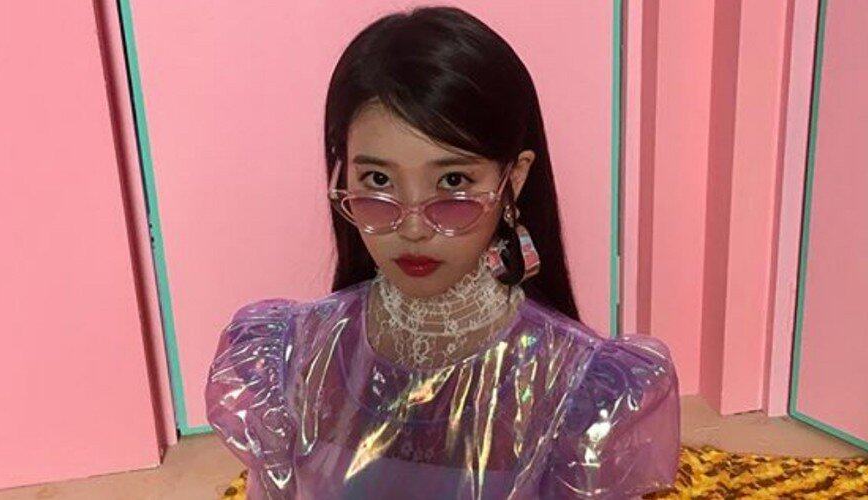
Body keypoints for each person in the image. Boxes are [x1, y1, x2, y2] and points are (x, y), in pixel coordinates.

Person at [205, 6, 680, 499]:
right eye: (378, 180)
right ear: (343, 174)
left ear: (513, 178)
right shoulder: (290, 356)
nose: (412, 228)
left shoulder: (577, 386)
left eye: (453, 181)